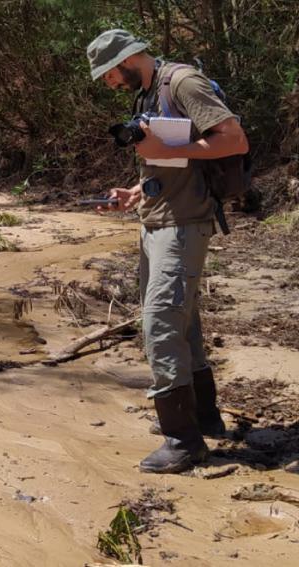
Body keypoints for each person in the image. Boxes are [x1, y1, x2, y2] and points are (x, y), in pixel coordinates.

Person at [86, 29, 249, 474]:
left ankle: (183, 440)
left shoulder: (183, 82)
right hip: (157, 220)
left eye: (109, 75)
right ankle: (205, 417)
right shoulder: (149, 91)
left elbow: (234, 139)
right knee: (183, 323)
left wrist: (166, 147)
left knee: (159, 322)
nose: (109, 84)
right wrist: (137, 191)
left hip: (184, 225)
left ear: (127, 60)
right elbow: (170, 159)